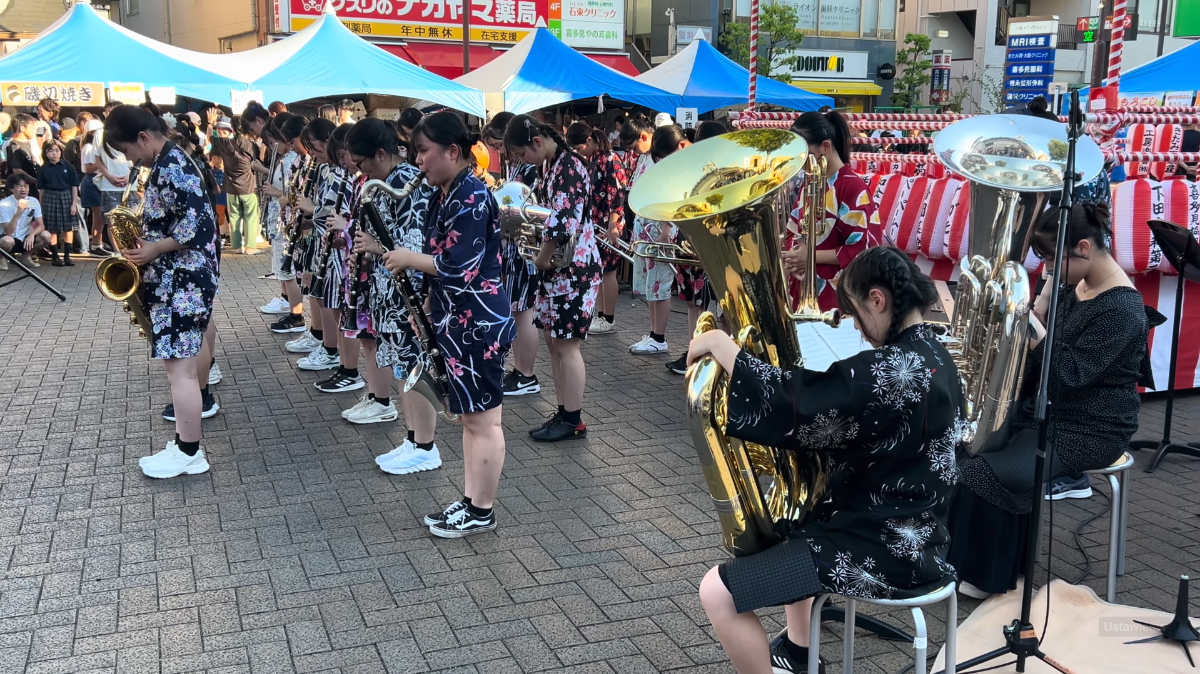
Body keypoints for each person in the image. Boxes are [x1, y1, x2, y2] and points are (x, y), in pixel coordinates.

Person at [693, 246, 963, 674]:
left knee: (716, 592)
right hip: (926, 540)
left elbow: (791, 404)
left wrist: (719, 344)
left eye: (856, 313)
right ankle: (800, 651)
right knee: (803, 521)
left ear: (878, 300)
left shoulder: (887, 370)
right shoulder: (937, 353)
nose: (856, 326)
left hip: (879, 551)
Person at [947, 202, 1165, 600]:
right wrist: (1039, 306)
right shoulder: (1075, 284)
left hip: (1091, 427)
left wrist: (1031, 328)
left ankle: (987, 576)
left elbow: (1069, 375)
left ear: (1083, 247)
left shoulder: (1122, 308)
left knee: (983, 472)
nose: (1046, 269)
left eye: (1050, 259)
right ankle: (976, 563)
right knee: (964, 448)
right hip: (1050, 412)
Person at [382, 112, 515, 536]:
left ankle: (482, 509)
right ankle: (473, 502)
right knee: (470, 418)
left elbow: (459, 266)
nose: (418, 161)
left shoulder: (471, 196)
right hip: (458, 318)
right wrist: (424, 304)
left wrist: (406, 259)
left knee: (483, 421)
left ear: (452, 151)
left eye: (423, 151)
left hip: (477, 320)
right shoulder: (447, 192)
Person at [102, 106, 220, 478]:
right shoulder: (169, 161)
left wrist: (154, 248)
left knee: (179, 373)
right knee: (182, 368)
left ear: (143, 138)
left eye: (127, 151)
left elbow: (200, 225)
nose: (129, 160)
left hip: (180, 280)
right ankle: (186, 445)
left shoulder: (173, 166)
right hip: (180, 279)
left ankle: (189, 452)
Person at [346, 118, 443, 471]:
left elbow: (414, 242)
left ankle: (426, 446)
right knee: (405, 366)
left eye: (361, 162)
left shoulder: (403, 183)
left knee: (416, 367)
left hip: (409, 291)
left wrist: (374, 245)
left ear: (382, 153)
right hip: (391, 288)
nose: (358, 170)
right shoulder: (388, 181)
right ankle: (414, 438)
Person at [505, 114, 602, 442]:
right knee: (555, 342)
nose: (523, 161)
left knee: (567, 345)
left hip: (573, 268)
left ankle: (573, 418)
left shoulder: (568, 166)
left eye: (522, 153)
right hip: (559, 269)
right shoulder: (552, 164)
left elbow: (562, 221)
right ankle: (564, 412)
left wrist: (542, 257)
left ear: (536, 142)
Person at [782, 111, 883, 313]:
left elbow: (862, 248)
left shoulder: (852, 187)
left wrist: (809, 256)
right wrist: (795, 259)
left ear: (825, 147)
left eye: (804, 153)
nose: (799, 162)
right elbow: (793, 229)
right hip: (802, 284)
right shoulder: (808, 183)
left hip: (839, 292)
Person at [481, 112, 543, 397]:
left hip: (524, 248)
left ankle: (527, 373)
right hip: (511, 247)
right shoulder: (518, 164)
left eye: (498, 143)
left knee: (523, 311)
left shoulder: (530, 166)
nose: (498, 150)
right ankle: (520, 370)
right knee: (517, 310)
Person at [312, 122, 367, 394]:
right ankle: (346, 367)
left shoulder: (362, 182)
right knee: (339, 312)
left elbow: (357, 222)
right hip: (340, 254)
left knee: (350, 317)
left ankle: (350, 370)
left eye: (345, 156)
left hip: (349, 260)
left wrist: (344, 227)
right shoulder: (350, 179)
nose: (346, 162)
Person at [295, 118, 353, 373]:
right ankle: (335, 354)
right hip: (327, 245)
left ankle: (338, 358)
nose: (314, 156)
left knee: (338, 307)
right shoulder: (328, 170)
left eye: (316, 150)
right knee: (327, 301)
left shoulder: (344, 173)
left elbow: (336, 212)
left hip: (341, 249)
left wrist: (312, 210)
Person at [624, 117, 680, 355]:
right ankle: (653, 332)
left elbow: (672, 194)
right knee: (651, 283)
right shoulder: (646, 159)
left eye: (635, 145)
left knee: (661, 282)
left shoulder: (665, 160)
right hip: (645, 226)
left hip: (660, 228)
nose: (634, 151)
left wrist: (667, 227)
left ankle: (659, 335)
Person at [567, 122, 627, 339]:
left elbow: (618, 194)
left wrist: (613, 225)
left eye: (580, 148)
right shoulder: (593, 160)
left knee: (609, 271)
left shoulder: (611, 159)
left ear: (589, 141)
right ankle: (601, 315)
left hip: (610, 223)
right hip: (595, 223)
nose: (578, 152)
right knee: (599, 271)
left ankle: (608, 317)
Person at [260, 113, 307, 330]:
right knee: (287, 272)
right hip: (287, 221)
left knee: (292, 273)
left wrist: (278, 194)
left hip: (294, 222)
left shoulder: (296, 161)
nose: (275, 146)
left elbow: (293, 194)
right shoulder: (293, 160)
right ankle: (295, 314)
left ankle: (297, 317)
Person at [208, 108, 265, 254]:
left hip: (231, 186)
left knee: (234, 217)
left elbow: (210, 137)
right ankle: (250, 246)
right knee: (251, 216)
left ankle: (237, 245)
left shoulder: (223, 143)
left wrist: (211, 123)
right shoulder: (247, 143)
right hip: (247, 185)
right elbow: (257, 159)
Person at [37, 140, 79, 267]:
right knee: (53, 229)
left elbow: (74, 186)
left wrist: (74, 203)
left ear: (61, 152)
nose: (54, 153)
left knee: (68, 228)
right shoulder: (43, 169)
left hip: (66, 196)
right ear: (46, 153)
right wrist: (40, 205)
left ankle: (67, 256)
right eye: (51, 151)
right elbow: (42, 189)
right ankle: (55, 257)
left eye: (57, 150)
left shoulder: (68, 166)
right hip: (50, 196)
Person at [0, 171, 51, 268]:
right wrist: (18, 214)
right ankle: (1, 258)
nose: (23, 189)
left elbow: (41, 225)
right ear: (11, 189)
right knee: (7, 241)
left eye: (26, 186)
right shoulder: (4, 204)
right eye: (19, 186)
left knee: (46, 236)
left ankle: (26, 256)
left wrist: (32, 234)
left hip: (25, 236)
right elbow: (8, 232)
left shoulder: (33, 201)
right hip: (8, 237)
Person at [79, 119, 107, 255]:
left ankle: (98, 243)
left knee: (100, 215)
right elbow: (89, 168)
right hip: (91, 180)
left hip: (96, 180)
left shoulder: (94, 147)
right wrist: (101, 161)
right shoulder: (89, 147)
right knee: (98, 215)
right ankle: (96, 244)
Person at [6, 114, 39, 188]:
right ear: (22, 128)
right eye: (32, 127)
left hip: (30, 187)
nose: (35, 130)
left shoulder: (27, 144)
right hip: (19, 189)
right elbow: (17, 170)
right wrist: (35, 180)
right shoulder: (14, 145)